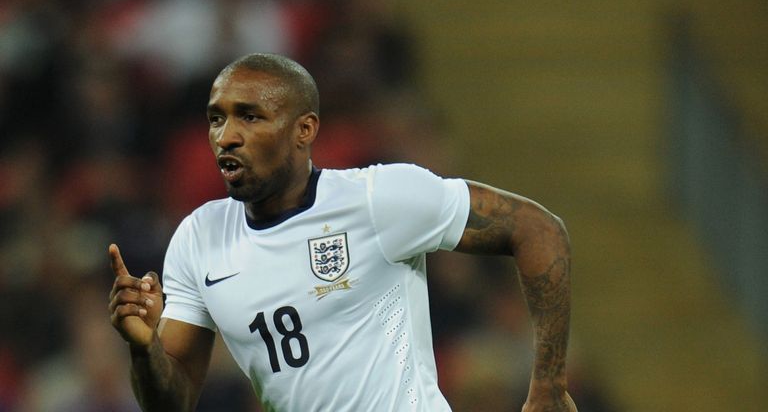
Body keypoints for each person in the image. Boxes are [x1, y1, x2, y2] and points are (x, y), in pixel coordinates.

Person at [108, 53, 578, 412]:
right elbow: (172, 400)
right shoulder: (199, 237)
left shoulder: (377, 198)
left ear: (304, 129)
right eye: (216, 118)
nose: (226, 135)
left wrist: (549, 385)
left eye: (250, 117)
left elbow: (538, 229)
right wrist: (144, 348)